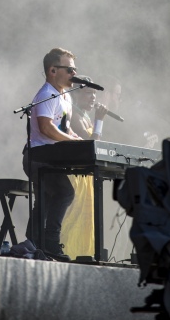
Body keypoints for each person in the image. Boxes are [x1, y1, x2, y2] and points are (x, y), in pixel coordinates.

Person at [22, 47, 82, 260]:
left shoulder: (65, 96)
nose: (74, 74)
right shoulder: (47, 94)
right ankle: (49, 243)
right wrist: (71, 142)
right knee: (64, 192)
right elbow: (46, 128)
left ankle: (34, 243)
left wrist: (76, 139)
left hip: (49, 157)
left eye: (74, 70)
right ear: (53, 70)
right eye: (70, 70)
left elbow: (64, 128)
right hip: (38, 157)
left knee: (48, 198)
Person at [60, 77, 110, 259]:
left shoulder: (84, 116)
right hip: (76, 178)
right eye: (89, 93)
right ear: (76, 93)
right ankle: (67, 256)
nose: (93, 98)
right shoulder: (74, 115)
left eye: (95, 94)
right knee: (73, 220)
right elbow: (91, 148)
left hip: (86, 177)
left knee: (86, 222)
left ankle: (83, 257)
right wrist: (100, 120)